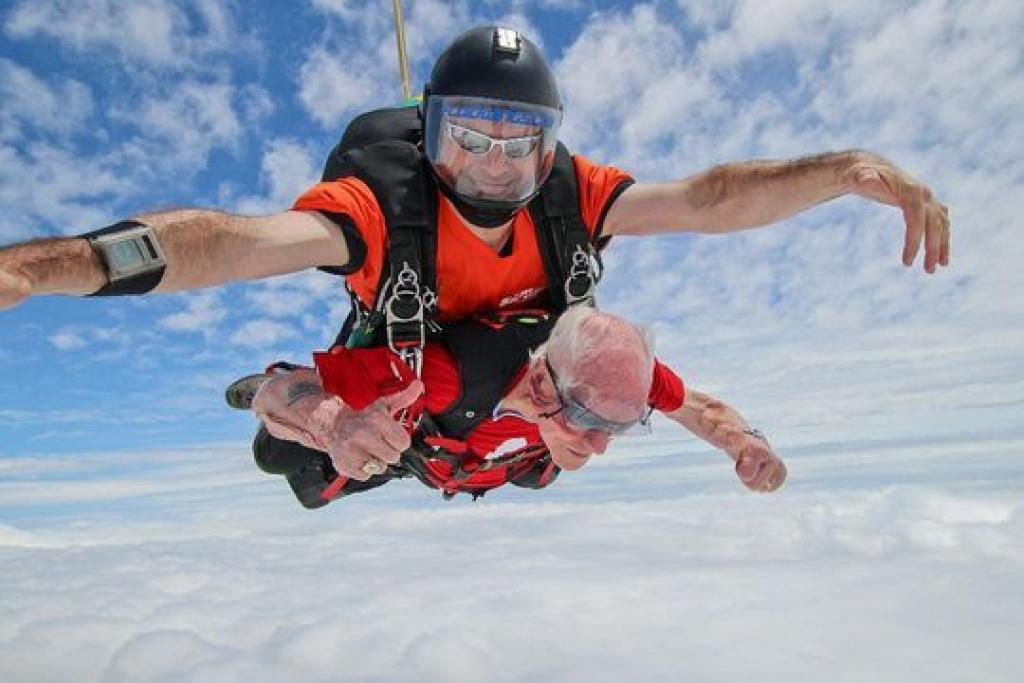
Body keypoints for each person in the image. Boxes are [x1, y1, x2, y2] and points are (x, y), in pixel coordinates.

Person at [0, 26, 947, 470]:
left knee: (526, 456)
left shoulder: (578, 217)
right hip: (411, 386)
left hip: (486, 425)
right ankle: (268, 385)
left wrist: (845, 171)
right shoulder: (383, 212)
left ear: (551, 142)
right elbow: (230, 245)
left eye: (519, 142)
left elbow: (709, 200)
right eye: (469, 139)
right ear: (429, 132)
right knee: (299, 463)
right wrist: (43, 268)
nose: (496, 169)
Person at [240, 307, 786, 508]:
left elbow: (697, 407)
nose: (601, 445)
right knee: (283, 465)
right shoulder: (443, 376)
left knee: (539, 476)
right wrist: (334, 424)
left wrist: (745, 442)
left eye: (622, 427)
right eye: (594, 423)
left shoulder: (617, 376)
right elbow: (284, 394)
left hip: (483, 465)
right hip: (412, 446)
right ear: (544, 388)